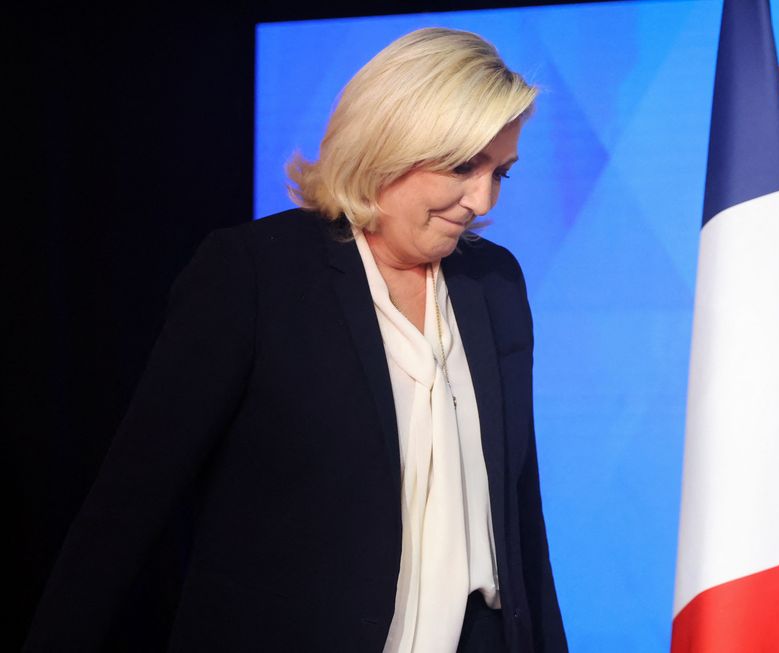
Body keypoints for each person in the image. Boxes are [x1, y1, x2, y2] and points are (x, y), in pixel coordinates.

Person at [24, 27, 567, 653]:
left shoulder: (493, 282)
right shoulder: (256, 273)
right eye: (464, 166)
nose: (482, 198)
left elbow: (519, 513)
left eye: (501, 172)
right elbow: (132, 501)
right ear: (390, 142)